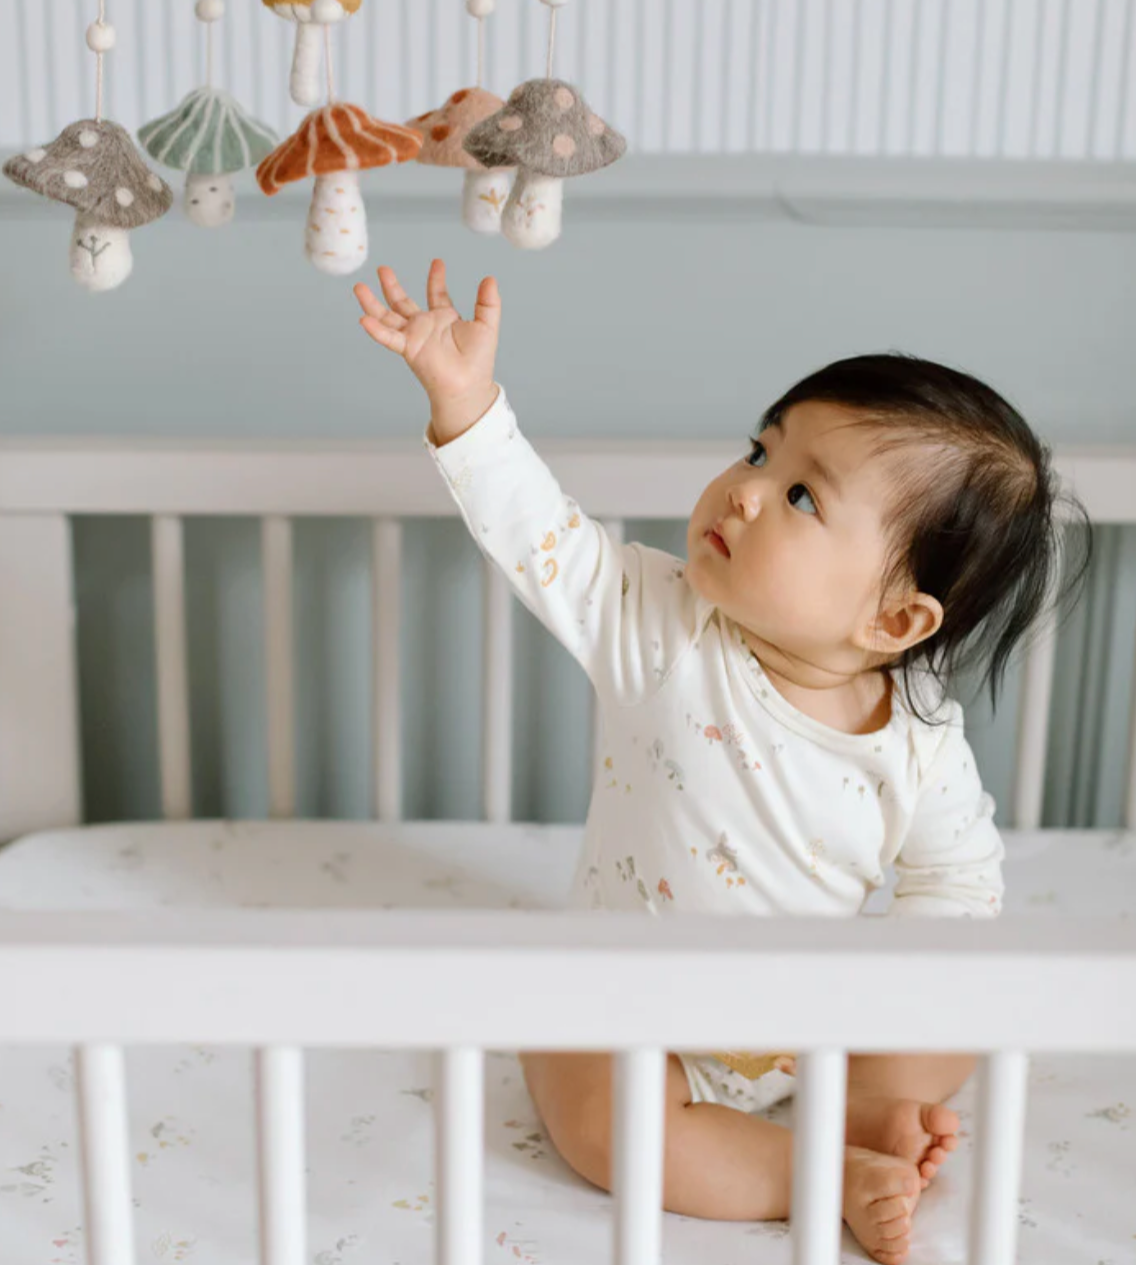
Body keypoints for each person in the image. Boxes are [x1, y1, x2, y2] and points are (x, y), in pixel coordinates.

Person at [353, 260, 1088, 1264]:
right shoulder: (658, 627)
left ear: (893, 617)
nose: (741, 491)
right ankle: (812, 1168)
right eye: (757, 449)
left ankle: (859, 1104)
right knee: (590, 1105)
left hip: (801, 1019)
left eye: (796, 494)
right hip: (628, 1005)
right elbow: (541, 539)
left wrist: (882, 997)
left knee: (965, 1009)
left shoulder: (914, 740)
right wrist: (465, 400)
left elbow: (957, 883)